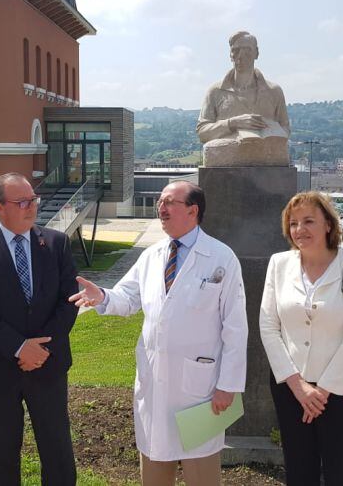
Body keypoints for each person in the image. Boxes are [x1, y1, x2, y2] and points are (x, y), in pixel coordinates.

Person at [69, 180, 247, 486]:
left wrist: (228, 385)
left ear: (193, 210)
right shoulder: (152, 256)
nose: (160, 208)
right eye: (159, 203)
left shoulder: (221, 257)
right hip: (154, 383)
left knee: (201, 473)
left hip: (201, 387)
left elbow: (235, 327)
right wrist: (103, 297)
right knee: (154, 468)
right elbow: (128, 297)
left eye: (169, 202)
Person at [0, 172, 78, 485]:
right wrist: (19, 347)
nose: (31, 206)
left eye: (33, 199)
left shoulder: (56, 243)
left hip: (48, 365)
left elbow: (69, 302)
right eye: (22, 201)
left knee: (58, 452)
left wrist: (41, 350)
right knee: (4, 455)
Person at [259, 191, 343, 485]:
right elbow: (269, 326)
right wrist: (297, 386)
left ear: (327, 224)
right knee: (298, 470)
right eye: (293, 223)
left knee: (341, 471)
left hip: (338, 390)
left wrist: (322, 391)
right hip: (290, 387)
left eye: (309, 220)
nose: (300, 229)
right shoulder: (279, 264)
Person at [196, 30, 291, 166]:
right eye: (236, 50)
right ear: (230, 55)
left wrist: (270, 131)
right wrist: (232, 123)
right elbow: (202, 133)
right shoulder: (215, 92)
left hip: (267, 159)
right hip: (226, 155)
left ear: (256, 53)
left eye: (247, 50)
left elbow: (286, 129)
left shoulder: (273, 91)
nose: (240, 56)